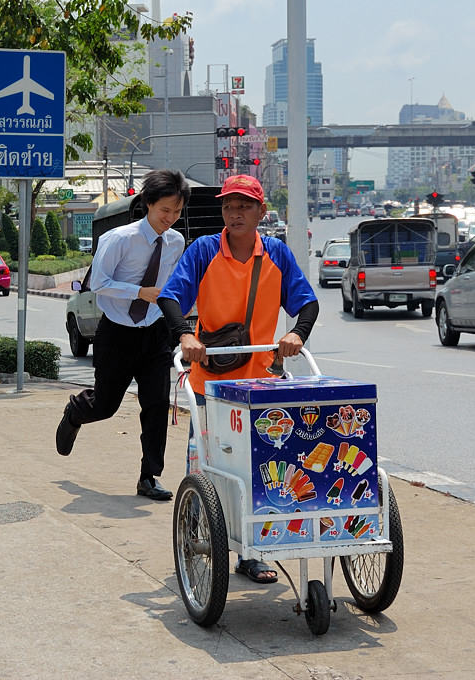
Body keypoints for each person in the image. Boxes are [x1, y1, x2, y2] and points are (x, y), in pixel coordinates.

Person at [158, 174, 319, 583]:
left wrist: (297, 333)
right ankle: (198, 537)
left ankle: (253, 554)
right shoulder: (204, 250)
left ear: (261, 212)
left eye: (245, 206)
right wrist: (186, 334)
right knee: (208, 465)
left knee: (265, 469)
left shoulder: (277, 254)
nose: (235, 214)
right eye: (229, 206)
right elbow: (171, 297)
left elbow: (308, 303)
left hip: (263, 383)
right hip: (212, 383)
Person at [55, 169, 190, 501]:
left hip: (155, 333)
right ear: (147, 204)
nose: (170, 219)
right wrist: (139, 292)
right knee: (105, 405)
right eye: (165, 211)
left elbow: (169, 286)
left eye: (177, 212)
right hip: (117, 333)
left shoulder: (176, 242)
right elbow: (98, 284)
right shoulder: (119, 239)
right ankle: (74, 412)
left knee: (156, 405)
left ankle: (149, 477)